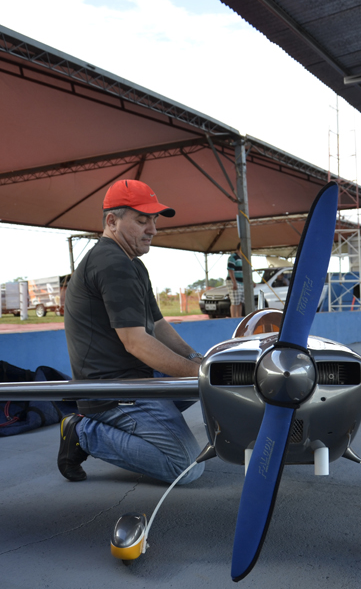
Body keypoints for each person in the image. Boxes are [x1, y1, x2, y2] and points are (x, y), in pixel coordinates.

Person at [58, 179, 206, 484]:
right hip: (113, 391)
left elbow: (159, 325)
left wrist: (198, 360)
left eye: (153, 220)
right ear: (112, 221)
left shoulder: (133, 264)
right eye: (142, 220)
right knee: (187, 467)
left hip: (136, 379)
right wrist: (200, 374)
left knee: (206, 381)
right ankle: (84, 432)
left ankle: (153, 422)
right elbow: (136, 342)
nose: (153, 229)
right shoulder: (111, 263)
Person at [226, 243, 244, 318]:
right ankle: (233, 318)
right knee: (235, 301)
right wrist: (234, 283)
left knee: (240, 302)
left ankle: (238, 317)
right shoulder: (233, 257)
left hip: (241, 282)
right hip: (234, 282)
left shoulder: (243, 258)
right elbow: (230, 270)